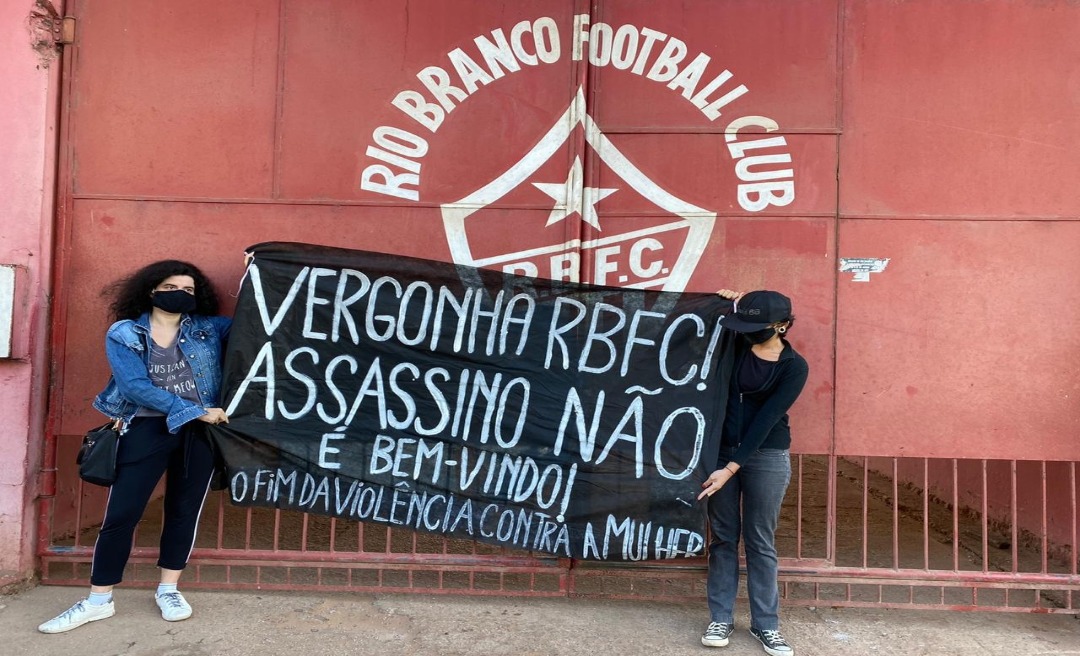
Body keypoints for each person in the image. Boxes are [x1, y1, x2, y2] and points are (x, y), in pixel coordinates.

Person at [39, 260, 232, 634]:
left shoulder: (210, 329)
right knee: (122, 514)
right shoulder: (125, 332)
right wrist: (192, 410)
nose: (181, 294)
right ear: (151, 290)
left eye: (190, 290)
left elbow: (263, 326)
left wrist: (257, 274)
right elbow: (133, 386)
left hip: (200, 433)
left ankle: (169, 589)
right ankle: (98, 600)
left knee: (183, 511)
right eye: (172, 287)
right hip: (147, 428)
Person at [697, 289, 808, 656]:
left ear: (781, 326)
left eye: (755, 325)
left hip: (766, 454)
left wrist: (730, 469)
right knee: (723, 538)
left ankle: (766, 625)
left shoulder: (794, 366)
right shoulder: (734, 346)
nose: (747, 331)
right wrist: (735, 302)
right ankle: (721, 617)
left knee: (760, 540)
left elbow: (766, 420)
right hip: (721, 453)